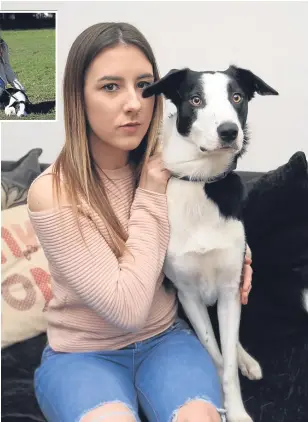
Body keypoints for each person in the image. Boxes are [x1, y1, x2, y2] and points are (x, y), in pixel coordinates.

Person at [27, 22, 253, 422]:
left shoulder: (174, 165)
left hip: (165, 341)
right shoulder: (54, 191)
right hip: (82, 354)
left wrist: (239, 254)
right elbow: (127, 308)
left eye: (143, 85)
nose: (133, 103)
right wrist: (149, 191)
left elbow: (206, 224)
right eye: (110, 87)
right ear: (77, 97)